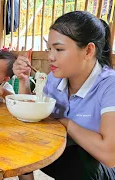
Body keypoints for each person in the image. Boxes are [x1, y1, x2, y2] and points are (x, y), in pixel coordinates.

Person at [14, 11, 115, 180]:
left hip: (99, 168)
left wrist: (64, 122)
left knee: (80, 164)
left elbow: (109, 155)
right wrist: (23, 81)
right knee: (21, 138)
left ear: (88, 51)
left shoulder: (109, 85)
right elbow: (34, 116)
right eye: (49, 49)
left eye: (59, 49)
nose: (50, 57)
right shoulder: (54, 79)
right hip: (68, 160)